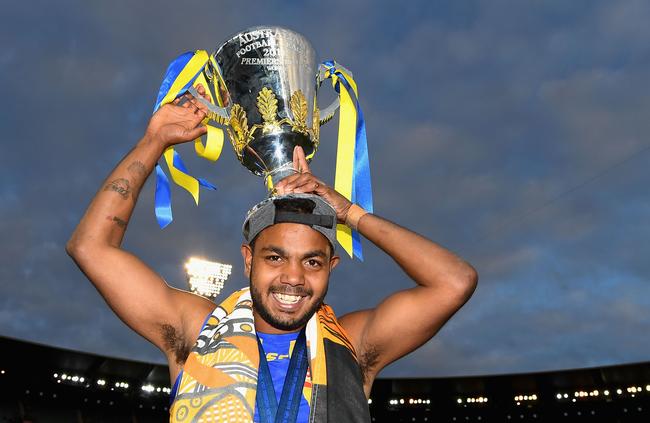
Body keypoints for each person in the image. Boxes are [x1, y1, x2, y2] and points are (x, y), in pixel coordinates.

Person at [67, 84, 478, 422]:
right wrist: (154, 140)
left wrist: (350, 213)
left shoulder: (354, 345)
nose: (294, 278)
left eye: (312, 261)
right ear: (248, 259)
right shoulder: (194, 330)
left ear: (332, 266)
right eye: (275, 257)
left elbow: (455, 281)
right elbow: (90, 247)